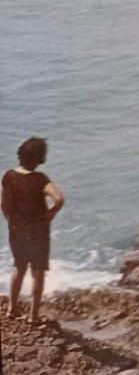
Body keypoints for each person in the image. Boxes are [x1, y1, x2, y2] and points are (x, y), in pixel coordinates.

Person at [3, 137, 64, 326]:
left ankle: (12, 309)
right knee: (38, 272)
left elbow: (4, 204)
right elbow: (59, 199)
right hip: (38, 231)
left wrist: (10, 220)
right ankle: (33, 315)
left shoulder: (9, 176)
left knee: (19, 268)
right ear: (39, 157)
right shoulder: (41, 179)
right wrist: (51, 213)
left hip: (16, 228)